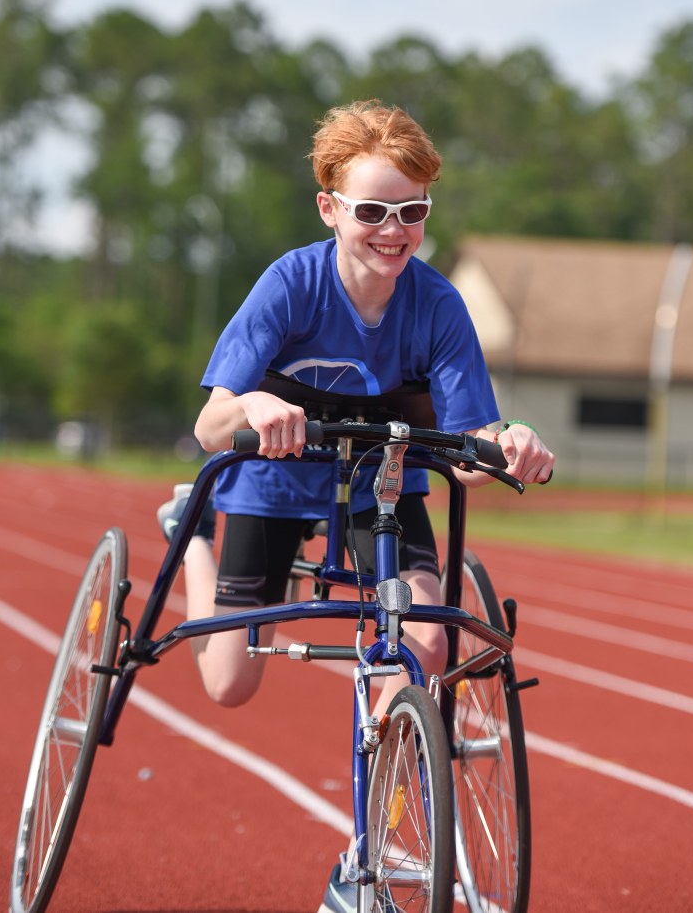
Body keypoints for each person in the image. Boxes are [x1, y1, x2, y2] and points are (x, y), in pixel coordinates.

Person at [163, 99, 555, 913]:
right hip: (274, 480)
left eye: (412, 212)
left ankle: (366, 852)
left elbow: (472, 443)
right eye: (374, 210)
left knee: (423, 647)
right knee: (229, 684)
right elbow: (209, 425)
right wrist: (255, 411)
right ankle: (190, 533)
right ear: (330, 208)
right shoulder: (290, 283)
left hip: (383, 482)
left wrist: (510, 440)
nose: (393, 230)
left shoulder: (438, 304)